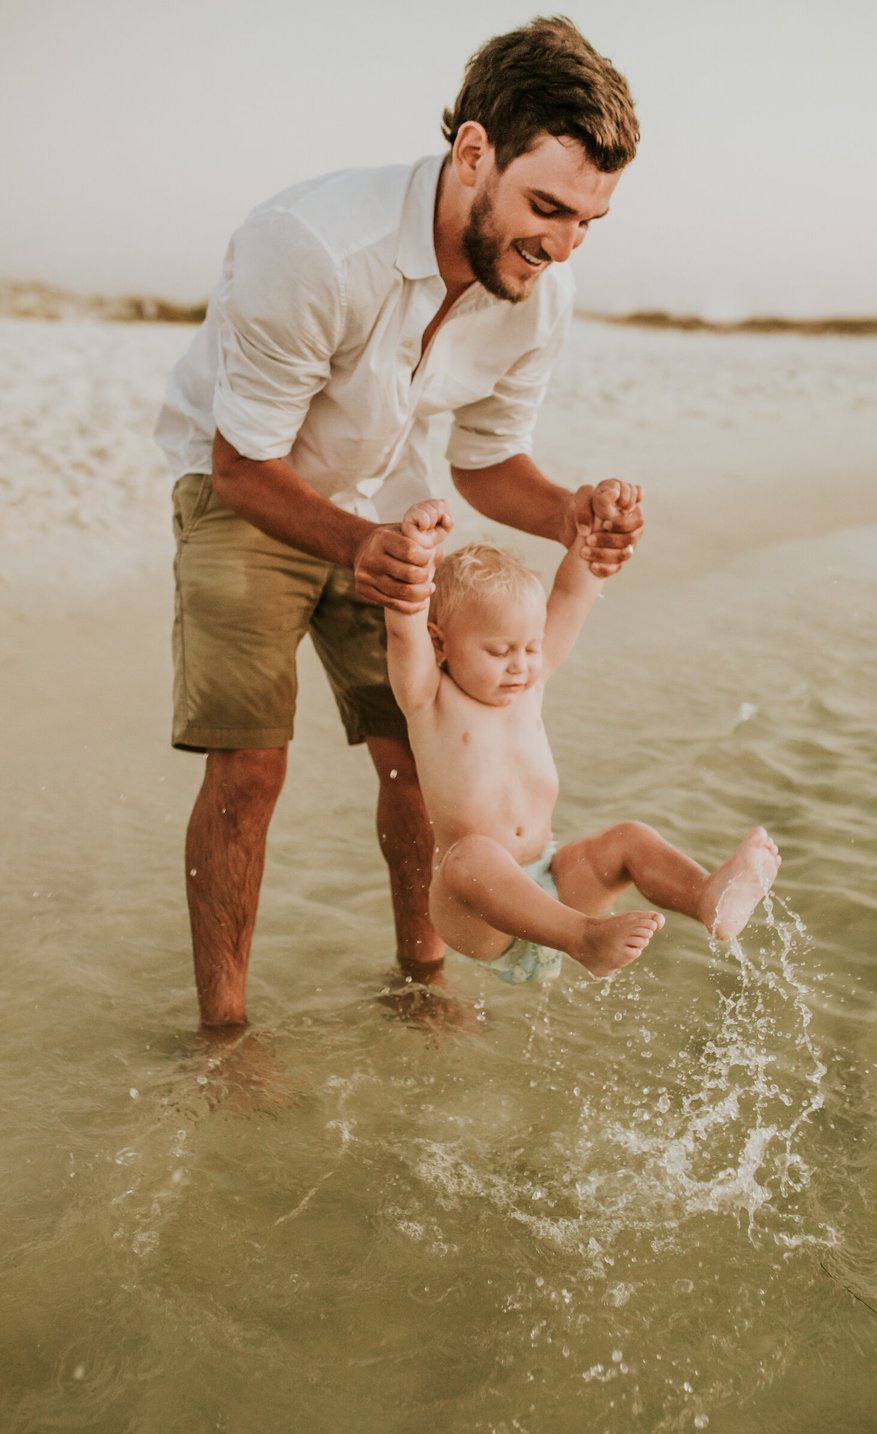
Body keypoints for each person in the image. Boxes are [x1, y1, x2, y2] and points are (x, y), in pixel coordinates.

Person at [154, 18, 644, 1026]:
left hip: (393, 506)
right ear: (473, 154)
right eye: (545, 207)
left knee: (422, 752)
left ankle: (418, 978)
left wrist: (569, 515)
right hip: (250, 490)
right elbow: (240, 462)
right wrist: (353, 546)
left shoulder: (538, 295)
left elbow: (484, 462)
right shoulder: (313, 246)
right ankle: (224, 1030)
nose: (559, 244)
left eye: (588, 221)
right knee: (251, 762)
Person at [386, 492, 781, 982]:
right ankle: (585, 939)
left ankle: (708, 899)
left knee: (629, 838)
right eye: (499, 651)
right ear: (441, 643)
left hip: (553, 884)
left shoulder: (530, 684)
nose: (520, 664)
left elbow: (572, 595)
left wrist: (599, 528)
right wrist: (416, 553)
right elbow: (404, 630)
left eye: (530, 647)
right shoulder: (429, 699)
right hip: (477, 910)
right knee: (472, 854)